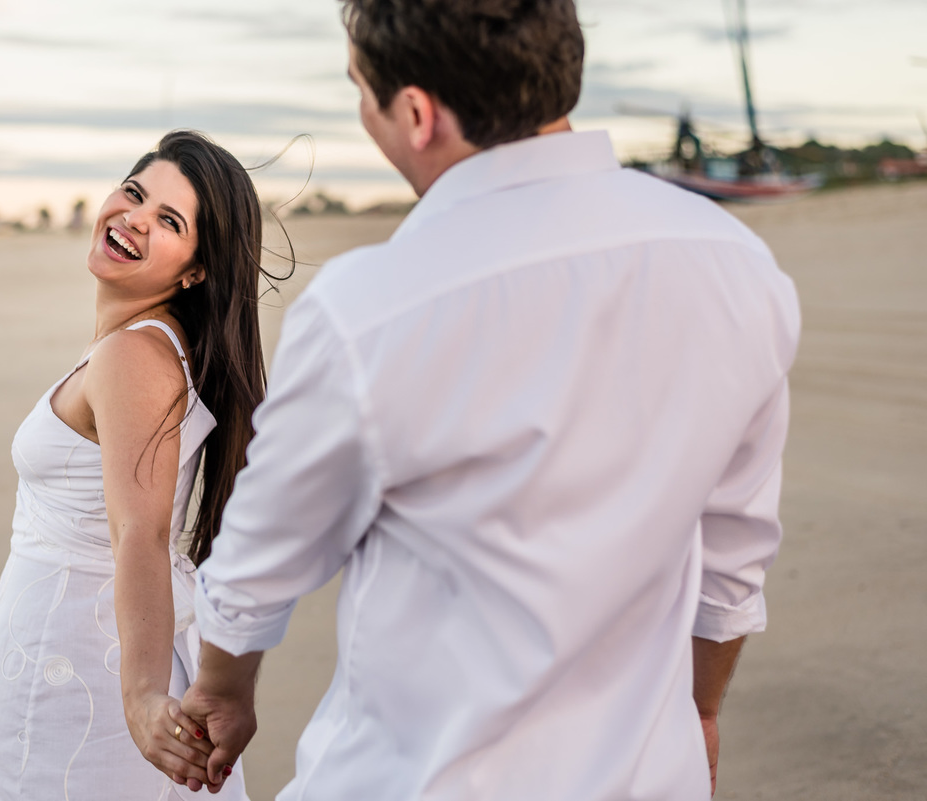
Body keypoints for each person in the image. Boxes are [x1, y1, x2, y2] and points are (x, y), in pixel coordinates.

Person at [177, 2, 800, 799]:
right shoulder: (737, 264)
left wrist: (224, 691)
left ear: (415, 112)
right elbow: (733, 557)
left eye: (360, 92)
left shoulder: (371, 307)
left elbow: (257, 563)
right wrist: (700, 711)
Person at [0, 130, 271, 800]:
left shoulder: (137, 355)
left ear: (195, 269)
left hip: (72, 669)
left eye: (169, 220)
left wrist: (143, 695)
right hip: (50, 646)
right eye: (136, 192)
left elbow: (137, 532)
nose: (135, 216)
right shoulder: (149, 348)